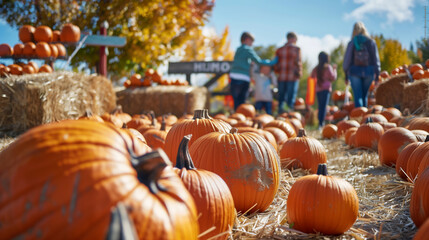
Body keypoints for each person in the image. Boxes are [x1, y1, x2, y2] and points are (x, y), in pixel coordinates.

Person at [343, 22, 380, 108]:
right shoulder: (371, 42)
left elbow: (347, 61)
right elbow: (376, 60)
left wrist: (346, 75)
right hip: (369, 72)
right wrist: (377, 75)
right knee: (364, 96)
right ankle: (365, 118)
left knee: (358, 96)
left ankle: (359, 116)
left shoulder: (352, 43)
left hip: (354, 72)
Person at [229, 32, 265, 110]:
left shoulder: (238, 49)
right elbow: (258, 61)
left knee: (236, 100)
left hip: (234, 76)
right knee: (242, 100)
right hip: (243, 77)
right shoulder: (248, 49)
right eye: (251, 42)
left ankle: (236, 116)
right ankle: (241, 116)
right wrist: (270, 63)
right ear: (247, 40)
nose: (252, 44)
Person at [272, 31, 302, 114]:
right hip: (292, 77)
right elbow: (298, 62)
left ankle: (280, 114)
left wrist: (278, 71)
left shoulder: (279, 50)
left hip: (282, 77)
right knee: (290, 98)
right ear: (293, 39)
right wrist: (299, 73)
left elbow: (276, 64)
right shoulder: (296, 49)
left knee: (281, 98)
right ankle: (289, 115)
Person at [309, 52, 337, 128]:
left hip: (318, 89)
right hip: (326, 89)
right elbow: (333, 77)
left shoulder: (316, 68)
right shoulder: (328, 67)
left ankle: (320, 123)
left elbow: (311, 77)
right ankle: (321, 123)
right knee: (324, 107)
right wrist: (334, 70)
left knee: (320, 106)